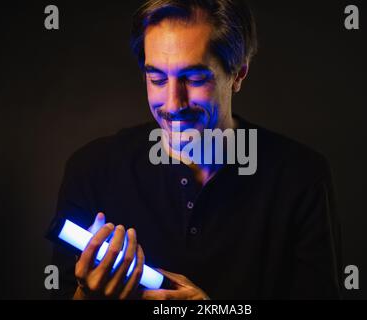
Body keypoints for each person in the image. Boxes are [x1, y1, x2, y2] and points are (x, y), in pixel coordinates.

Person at [50, 0, 342, 300]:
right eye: (157, 79)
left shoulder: (300, 177)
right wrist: (87, 295)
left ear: (239, 73)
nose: (173, 104)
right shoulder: (92, 169)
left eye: (195, 78)